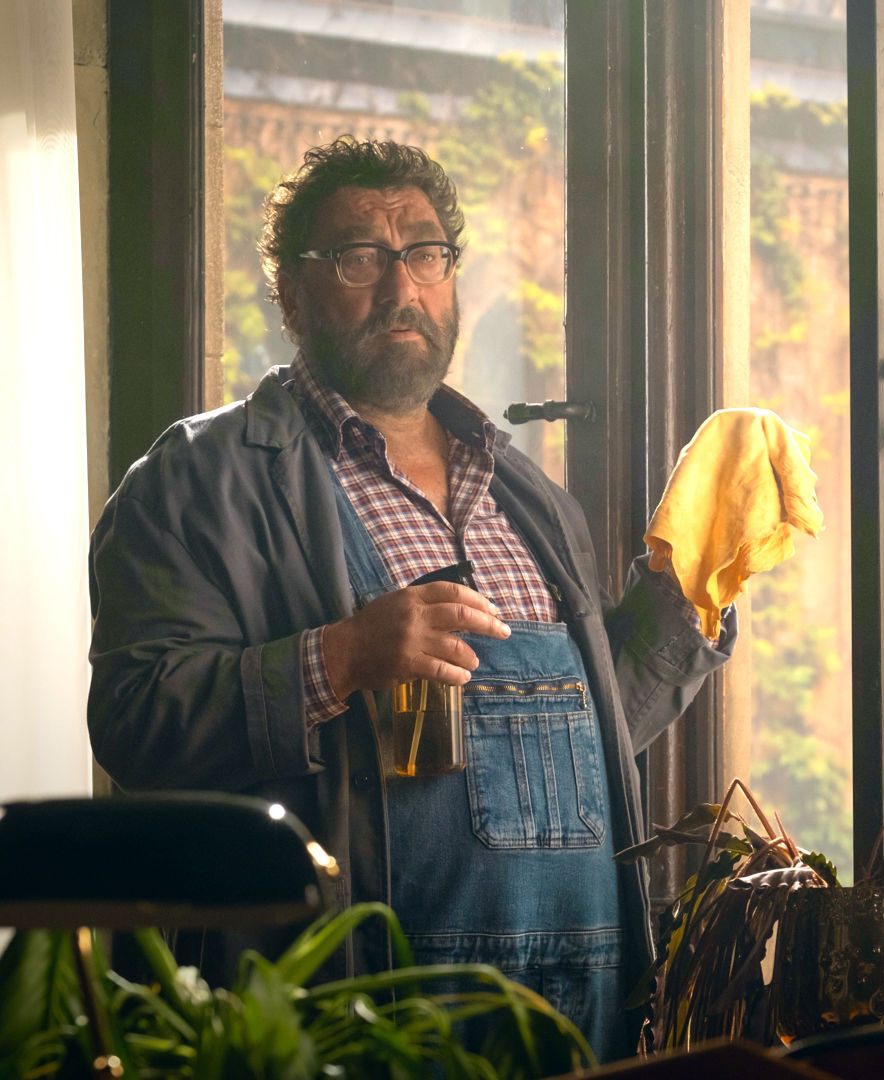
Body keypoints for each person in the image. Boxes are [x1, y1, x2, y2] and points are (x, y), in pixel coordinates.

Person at [87, 137, 734, 1060]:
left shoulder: (534, 502)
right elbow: (135, 721)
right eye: (360, 257)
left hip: (581, 1007)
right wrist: (341, 657)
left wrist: (691, 591)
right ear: (291, 293)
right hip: (355, 1013)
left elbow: (591, 740)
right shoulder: (195, 481)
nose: (402, 287)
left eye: (425, 253)